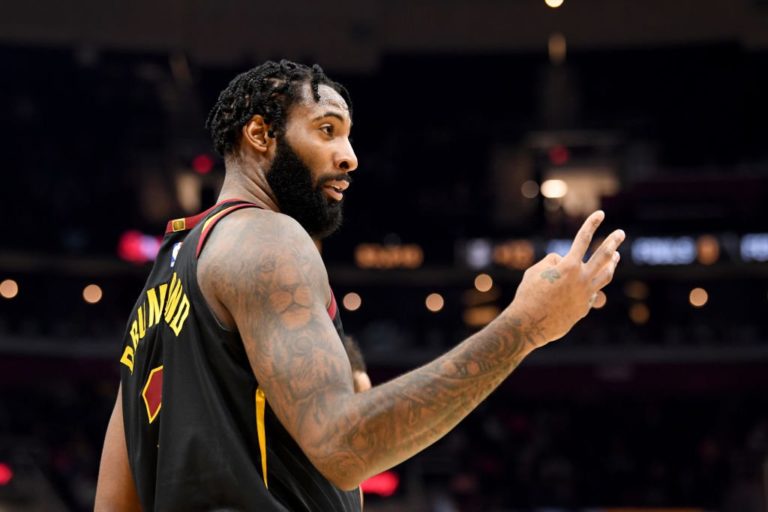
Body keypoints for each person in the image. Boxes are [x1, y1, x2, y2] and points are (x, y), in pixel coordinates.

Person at [95, 60, 625, 511]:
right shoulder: (268, 237)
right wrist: (527, 325)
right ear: (259, 134)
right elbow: (344, 447)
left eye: (348, 135)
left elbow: (113, 502)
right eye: (326, 130)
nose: (350, 156)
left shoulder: (163, 277)